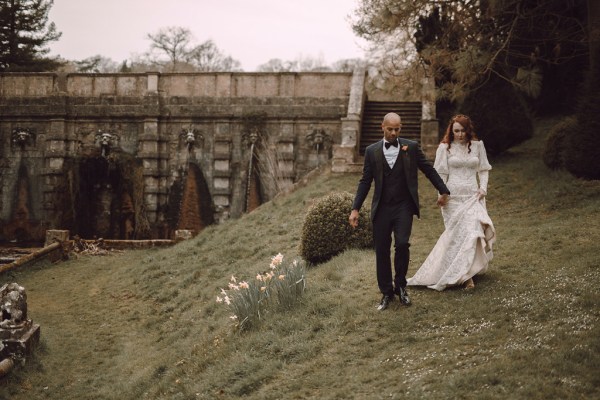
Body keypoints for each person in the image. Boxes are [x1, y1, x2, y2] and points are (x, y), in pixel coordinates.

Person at [349, 112, 450, 311]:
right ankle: (386, 292)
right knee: (382, 250)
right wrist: (355, 208)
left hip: (403, 205)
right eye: (390, 129)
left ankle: (401, 286)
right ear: (382, 127)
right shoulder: (372, 151)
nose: (394, 133)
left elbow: (427, 169)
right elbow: (365, 181)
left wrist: (443, 189)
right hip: (382, 207)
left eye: (397, 129)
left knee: (402, 244)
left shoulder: (410, 148)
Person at [407, 114, 496, 291]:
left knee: (473, 232)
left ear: (468, 130)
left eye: (463, 131)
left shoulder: (478, 146)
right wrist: (442, 193)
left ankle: (467, 275)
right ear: (451, 130)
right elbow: (440, 174)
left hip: (473, 197)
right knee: (458, 237)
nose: (460, 134)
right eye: (456, 131)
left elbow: (484, 169)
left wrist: (483, 189)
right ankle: (464, 276)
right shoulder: (444, 148)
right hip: (452, 199)